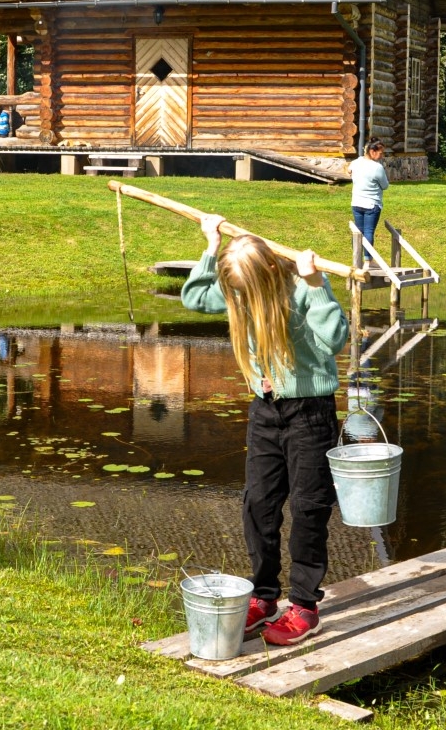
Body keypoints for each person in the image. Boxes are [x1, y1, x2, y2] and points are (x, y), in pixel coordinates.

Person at [181, 217, 350, 646]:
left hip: (310, 414)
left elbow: (336, 338)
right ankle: (264, 595)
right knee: (258, 504)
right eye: (235, 292)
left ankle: (304, 606)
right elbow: (195, 296)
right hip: (265, 412)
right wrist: (211, 244)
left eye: (244, 292)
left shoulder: (299, 288)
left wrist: (316, 284)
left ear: (270, 273)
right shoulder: (239, 288)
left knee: (310, 508)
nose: (239, 299)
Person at [349, 138, 389, 262]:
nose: (382, 156)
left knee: (358, 231)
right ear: (372, 151)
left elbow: (348, 170)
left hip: (356, 203)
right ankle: (368, 261)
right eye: (381, 153)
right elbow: (385, 186)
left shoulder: (356, 162)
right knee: (368, 232)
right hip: (372, 204)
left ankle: (356, 259)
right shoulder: (377, 167)